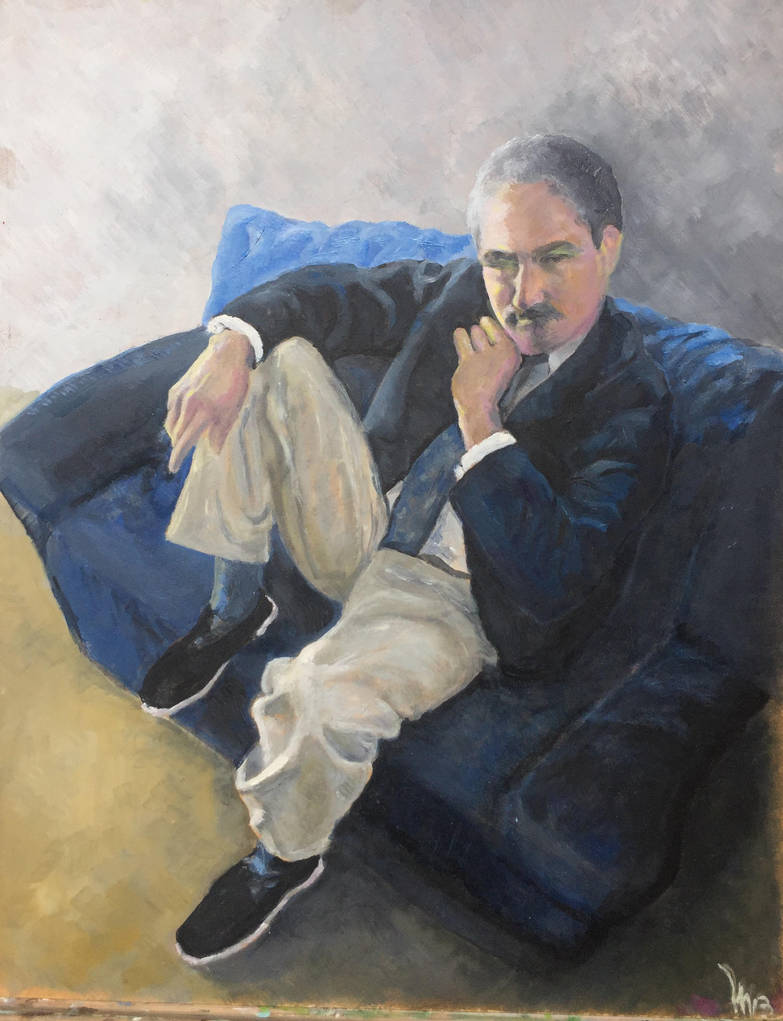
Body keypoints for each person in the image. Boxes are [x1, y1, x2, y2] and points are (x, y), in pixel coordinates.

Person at [140, 135, 673, 965]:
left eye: (554, 258)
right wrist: (232, 343)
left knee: (316, 694)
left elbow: (554, 578)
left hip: (459, 595)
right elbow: (334, 294)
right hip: (374, 519)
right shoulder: (466, 292)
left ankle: (282, 854)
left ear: (606, 247)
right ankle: (234, 607)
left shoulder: (633, 399)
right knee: (276, 364)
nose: (523, 294)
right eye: (502, 262)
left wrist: (480, 420)